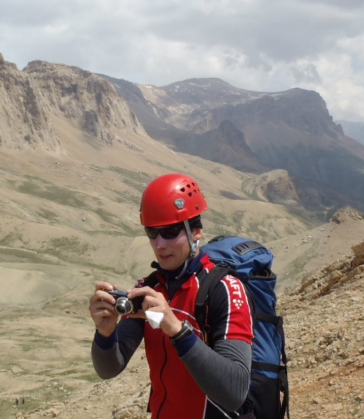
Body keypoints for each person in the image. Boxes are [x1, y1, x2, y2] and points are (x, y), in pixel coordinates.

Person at [89, 173, 254, 419]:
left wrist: (178, 330)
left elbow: (235, 392)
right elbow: (109, 368)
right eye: (152, 232)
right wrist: (105, 333)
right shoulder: (150, 288)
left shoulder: (226, 290)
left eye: (170, 232)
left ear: (196, 231)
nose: (159, 245)